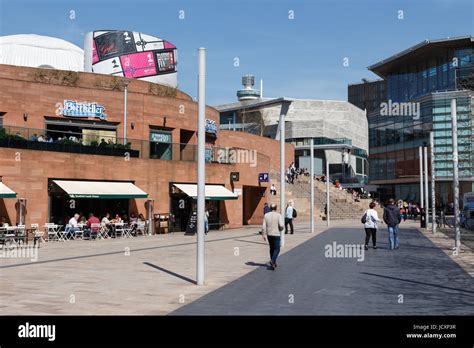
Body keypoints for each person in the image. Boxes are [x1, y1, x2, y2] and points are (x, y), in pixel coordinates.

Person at [262, 203, 284, 270]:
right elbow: (281, 225)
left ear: (270, 208)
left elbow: (263, 226)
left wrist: (264, 234)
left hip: (269, 234)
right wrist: (281, 229)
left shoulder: (266, 215)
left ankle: (273, 263)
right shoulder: (278, 215)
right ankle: (272, 260)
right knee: (277, 249)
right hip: (276, 234)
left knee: (271, 248)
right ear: (276, 208)